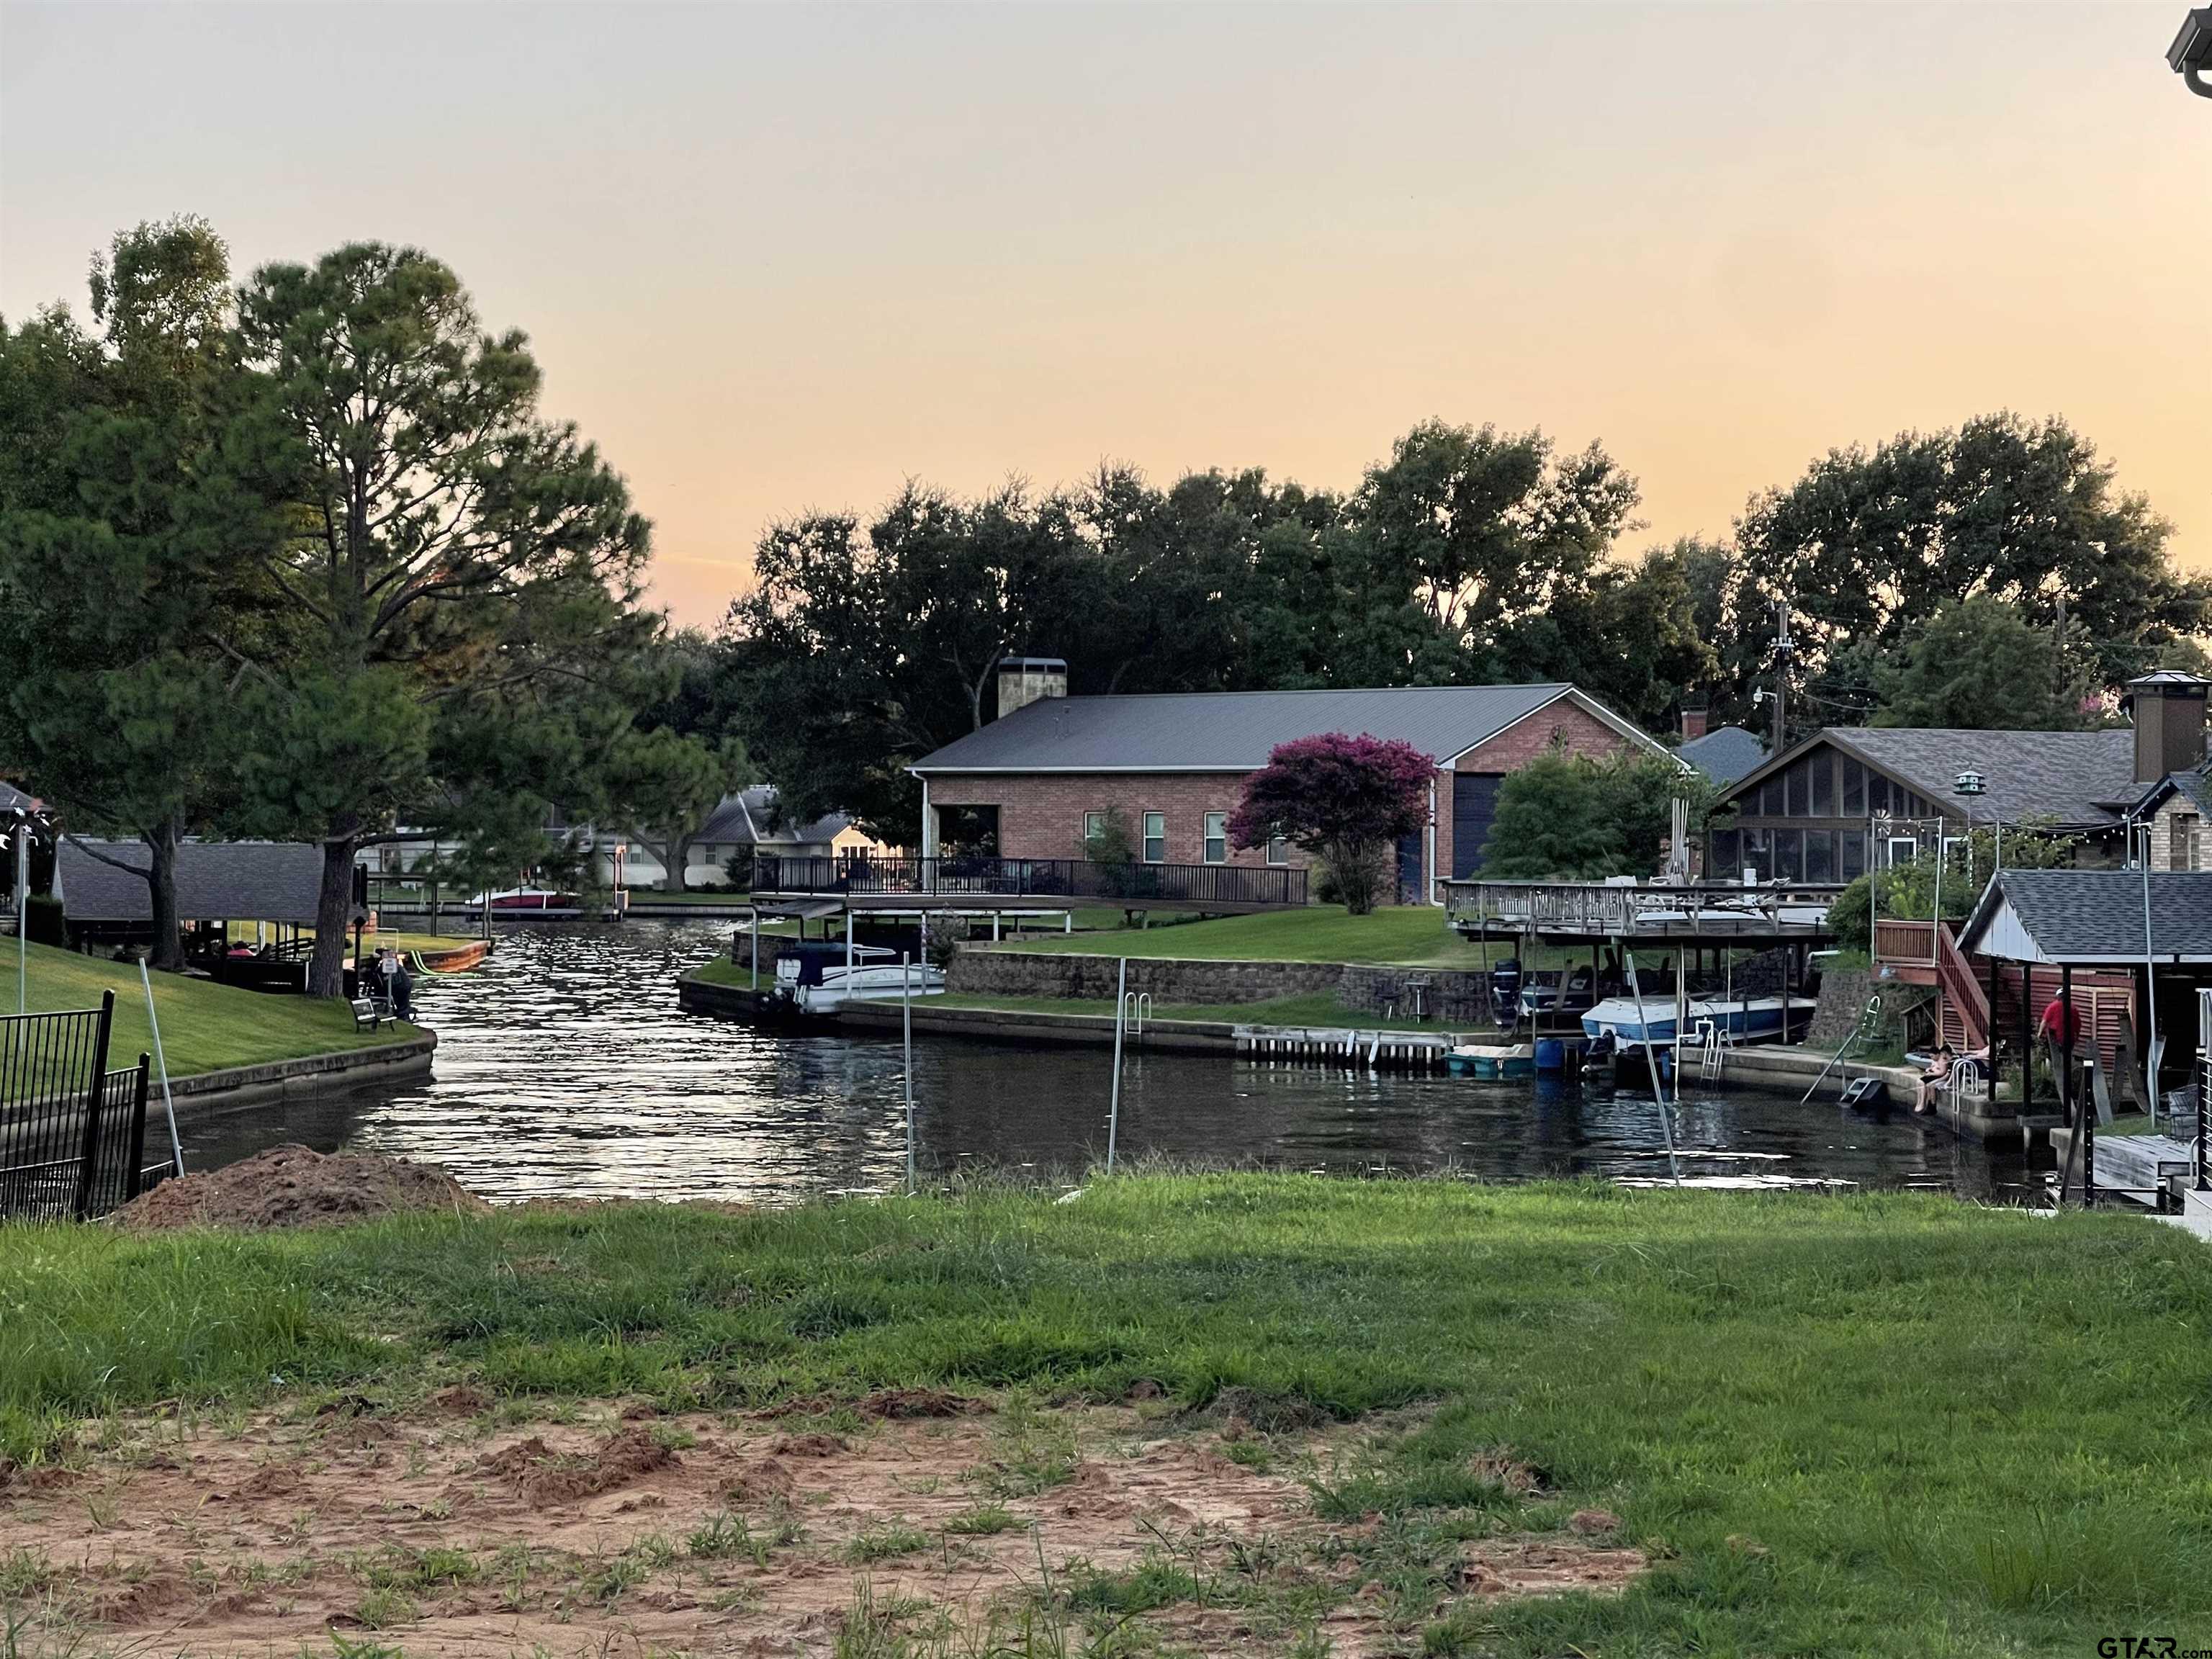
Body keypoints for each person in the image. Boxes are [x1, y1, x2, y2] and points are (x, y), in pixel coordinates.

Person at [1914, 1043, 1957, 1115]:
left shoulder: (1950, 1062)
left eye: (1942, 1054)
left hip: (1951, 1082)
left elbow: (1946, 1075)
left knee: (1931, 1085)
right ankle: (1929, 1106)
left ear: (1945, 1054)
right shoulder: (1948, 1061)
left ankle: (1933, 1107)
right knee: (1929, 1085)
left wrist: (1937, 1080)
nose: (1941, 1056)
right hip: (1946, 1079)